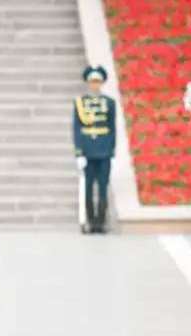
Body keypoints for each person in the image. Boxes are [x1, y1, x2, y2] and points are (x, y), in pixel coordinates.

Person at [73, 65, 116, 234]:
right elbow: (77, 128)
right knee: (88, 188)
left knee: (103, 187)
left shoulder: (109, 103)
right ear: (87, 82)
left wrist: (112, 151)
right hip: (88, 151)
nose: (95, 84)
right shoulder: (80, 103)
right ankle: (90, 221)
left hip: (104, 151)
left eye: (97, 81)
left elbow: (112, 128)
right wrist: (78, 152)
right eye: (92, 81)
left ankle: (101, 221)